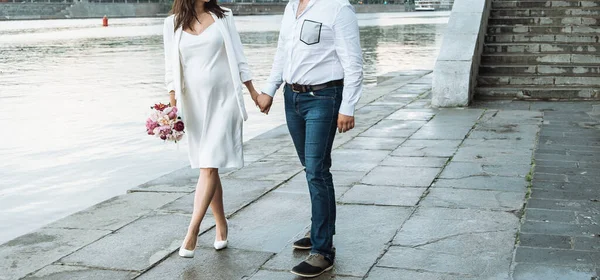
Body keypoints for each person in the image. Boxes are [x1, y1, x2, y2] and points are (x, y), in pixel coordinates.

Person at [257, 0, 364, 277]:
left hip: (323, 98)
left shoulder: (338, 9)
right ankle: (321, 229)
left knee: (317, 171)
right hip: (291, 98)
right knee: (311, 169)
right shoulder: (292, 6)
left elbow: (353, 62)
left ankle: (322, 251)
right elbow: (282, 52)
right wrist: (270, 89)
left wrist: (348, 107)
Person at [162, 0, 260, 258]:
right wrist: (171, 111)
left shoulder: (224, 16)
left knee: (208, 165)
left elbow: (239, 57)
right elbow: (171, 73)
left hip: (224, 100)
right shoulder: (171, 24)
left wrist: (254, 93)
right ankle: (221, 224)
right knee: (209, 164)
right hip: (194, 106)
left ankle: (192, 231)